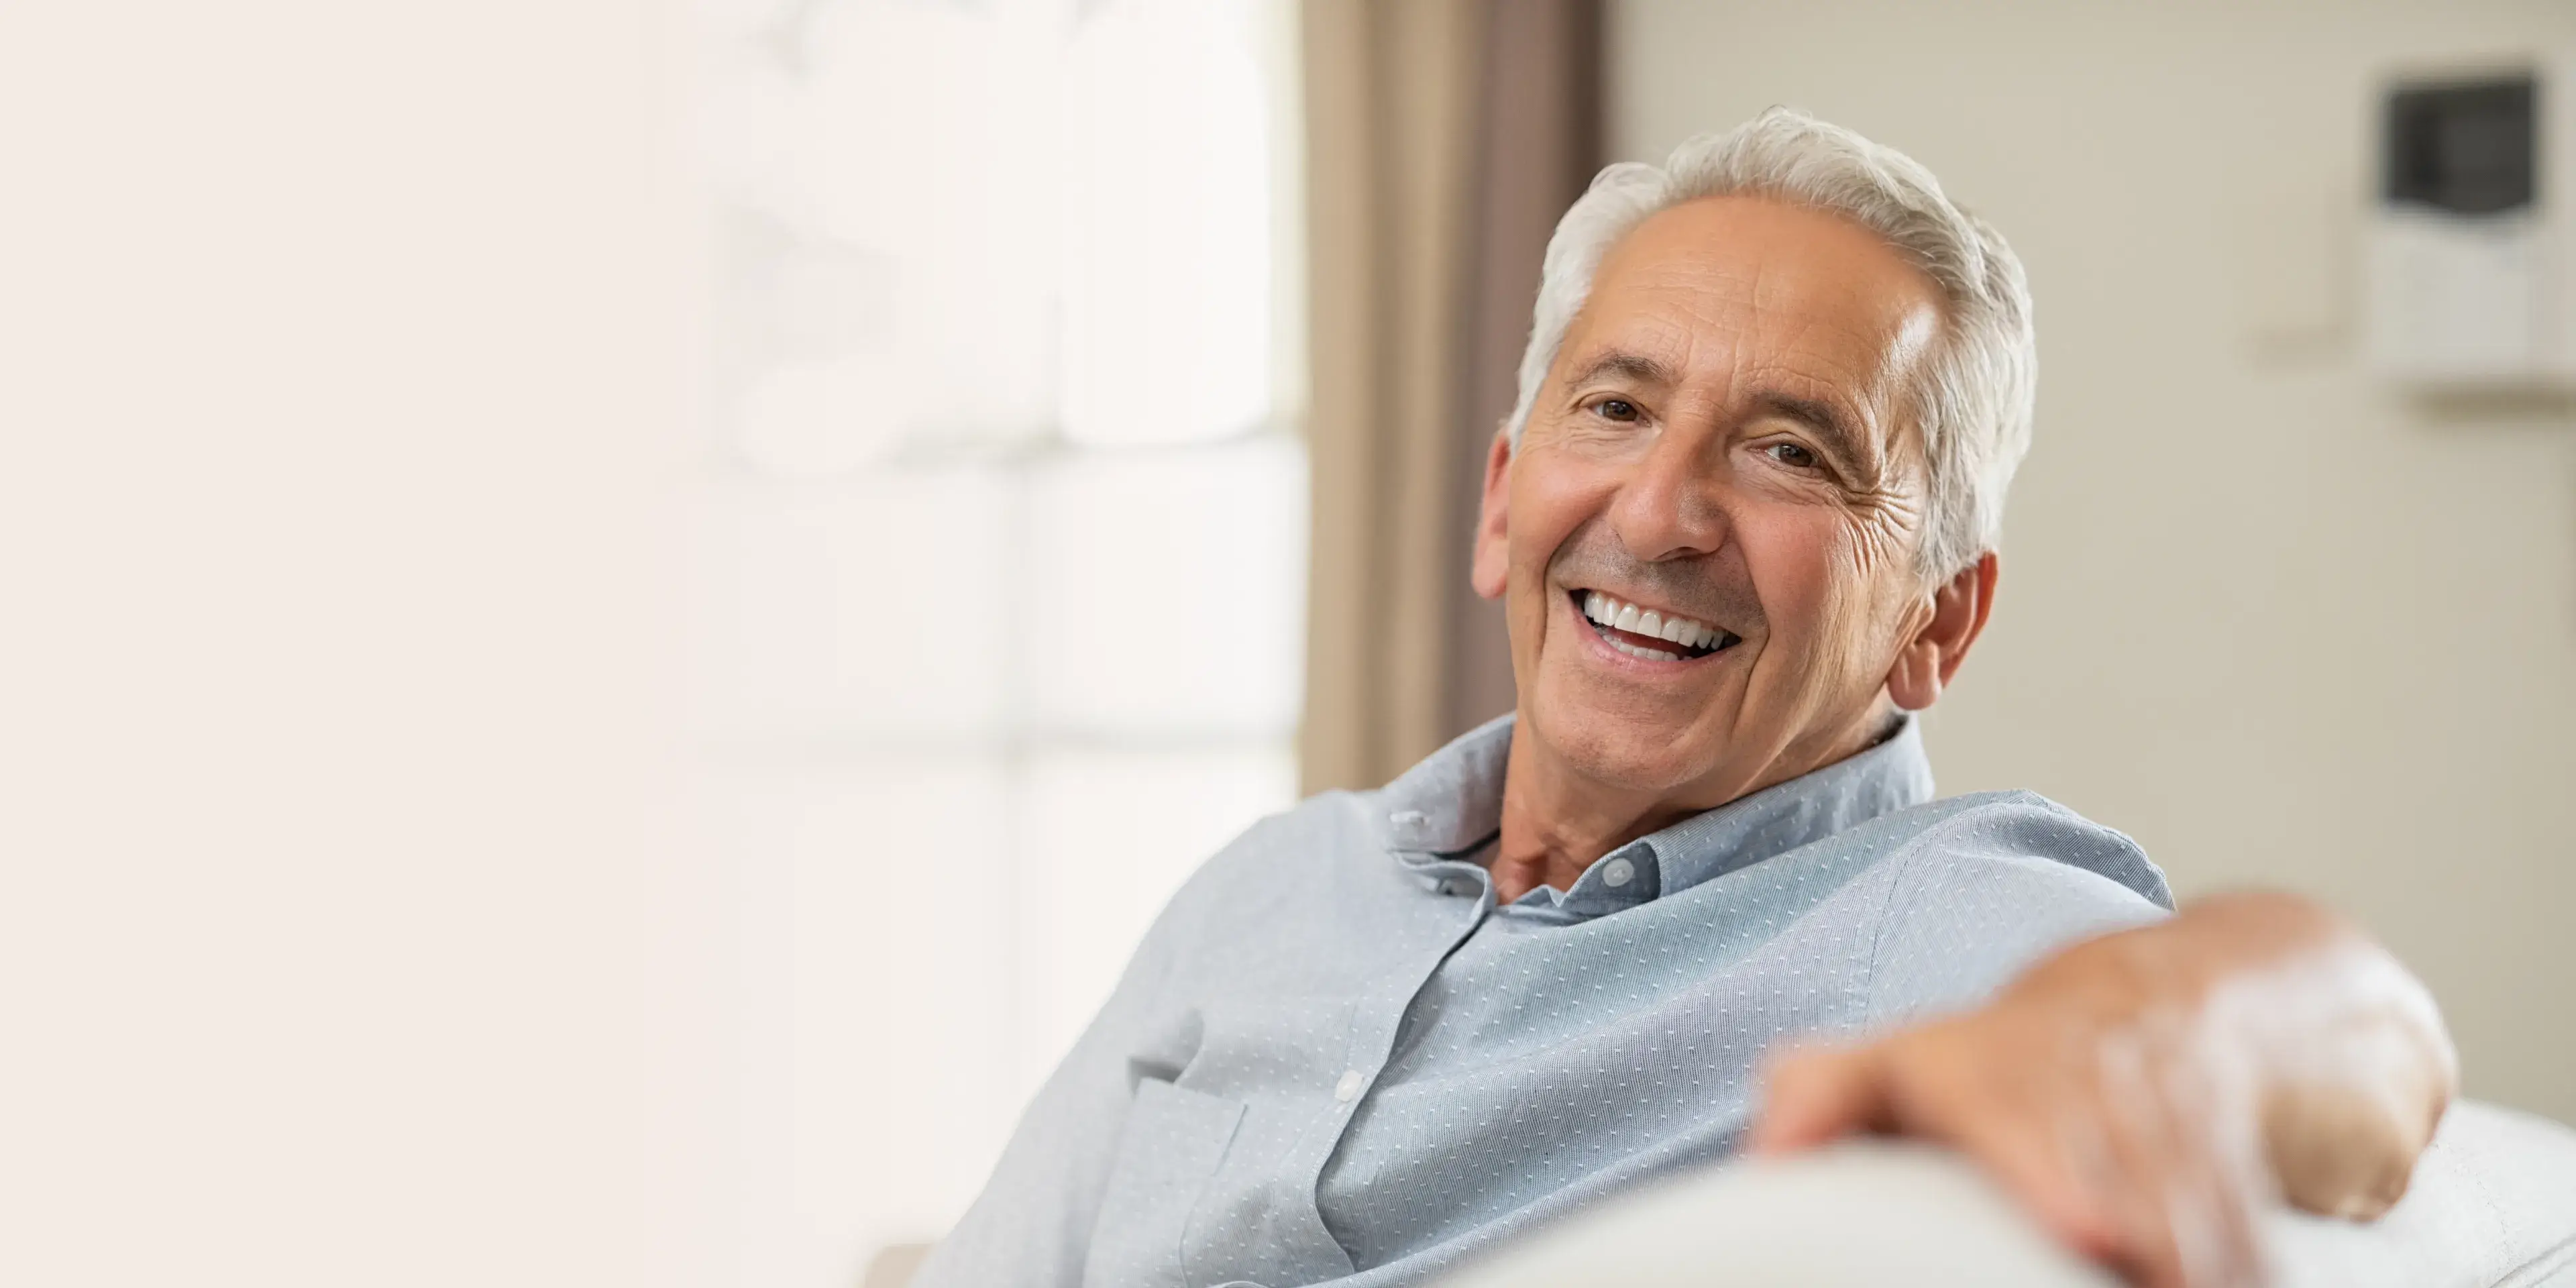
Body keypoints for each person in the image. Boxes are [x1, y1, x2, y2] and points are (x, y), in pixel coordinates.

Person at [911, 109, 2455, 1288]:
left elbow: (2372, 1041)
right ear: (1505, 501)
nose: (1659, 515)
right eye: (1617, 406)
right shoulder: (1268, 889)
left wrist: (2138, 1031)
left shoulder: (1935, 929)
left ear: (1937, 622)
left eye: (1792, 451)